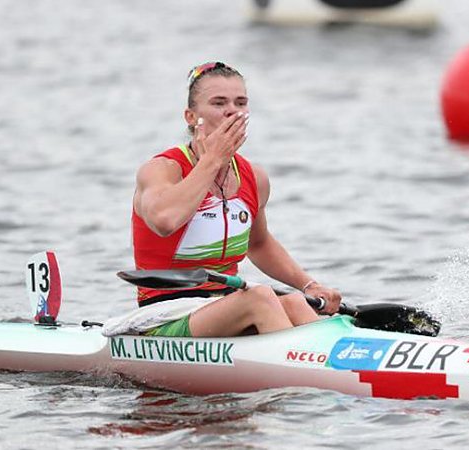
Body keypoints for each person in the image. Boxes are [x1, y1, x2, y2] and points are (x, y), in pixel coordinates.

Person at [130, 61, 342, 337]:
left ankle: (343, 367)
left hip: (225, 305)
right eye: (219, 103)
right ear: (191, 117)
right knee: (261, 297)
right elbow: (164, 221)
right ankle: (306, 374)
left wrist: (308, 284)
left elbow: (259, 243)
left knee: (294, 302)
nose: (232, 110)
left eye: (240, 103)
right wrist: (212, 160)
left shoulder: (253, 177)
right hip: (163, 314)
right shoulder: (162, 170)